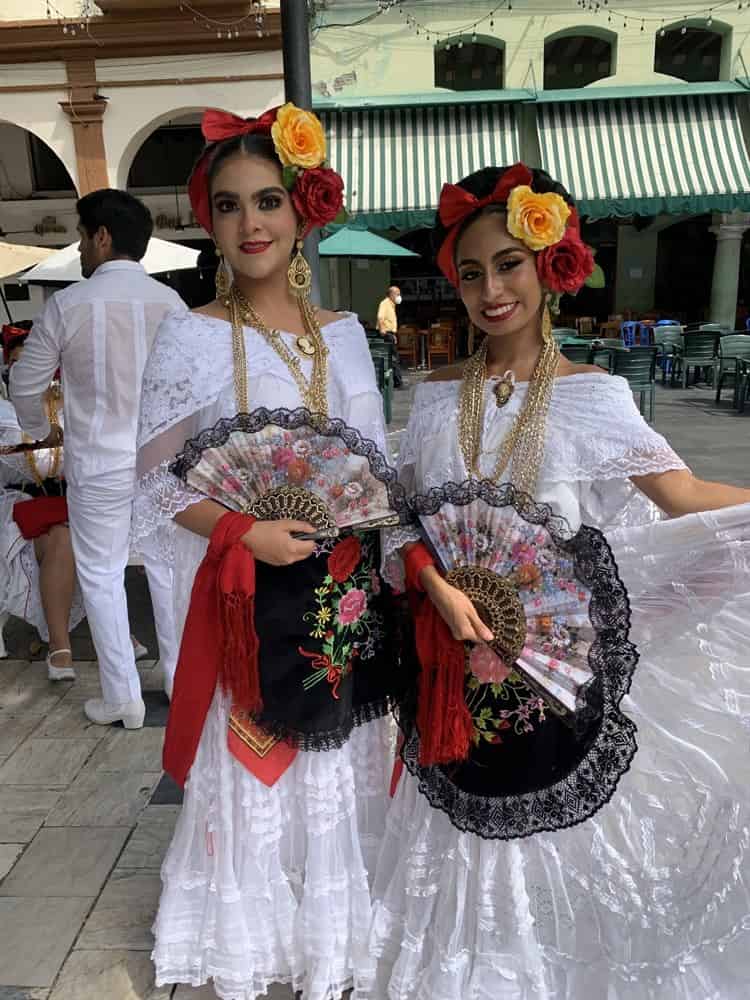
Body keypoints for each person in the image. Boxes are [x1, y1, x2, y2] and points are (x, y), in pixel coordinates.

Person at [361, 165, 750, 998]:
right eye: (471, 273)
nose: (490, 290)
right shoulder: (431, 399)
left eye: (508, 264)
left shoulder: (597, 399)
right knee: (453, 834)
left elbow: (684, 498)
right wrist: (433, 585)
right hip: (449, 667)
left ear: (550, 267)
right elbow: (401, 520)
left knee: (548, 849)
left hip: (553, 677)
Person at [132, 104, 402, 999]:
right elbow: (157, 481)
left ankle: (328, 927)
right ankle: (251, 929)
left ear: (301, 213)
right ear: (208, 221)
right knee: (249, 751)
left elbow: (377, 467)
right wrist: (245, 529)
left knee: (333, 761)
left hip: (341, 592)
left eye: (270, 201)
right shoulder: (191, 332)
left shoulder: (348, 334)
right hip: (246, 588)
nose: (251, 223)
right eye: (230, 205)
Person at [10, 189, 184, 728]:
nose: (80, 249)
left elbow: (23, 384)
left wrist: (43, 429)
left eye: (82, 236)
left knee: (103, 574)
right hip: (163, 462)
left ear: (102, 237)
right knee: (166, 569)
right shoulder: (171, 304)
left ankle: (123, 697)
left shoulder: (68, 304)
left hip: (98, 464)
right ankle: (179, 677)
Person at [376, 285, 404, 387]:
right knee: (394, 358)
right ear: (391, 294)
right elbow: (380, 317)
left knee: (394, 358)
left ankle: (397, 382)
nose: (399, 296)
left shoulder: (391, 305)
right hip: (386, 334)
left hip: (390, 334)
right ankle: (398, 382)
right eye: (397, 294)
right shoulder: (385, 304)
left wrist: (393, 334)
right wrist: (383, 329)